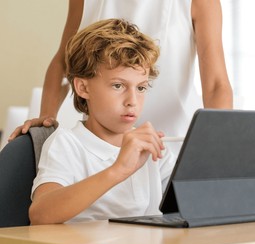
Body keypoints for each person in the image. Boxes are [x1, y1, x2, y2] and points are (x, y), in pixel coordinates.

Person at [29, 19, 255, 225]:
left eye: (141, 88)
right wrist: (118, 170)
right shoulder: (66, 143)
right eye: (118, 85)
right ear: (83, 88)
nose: (132, 100)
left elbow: (194, 204)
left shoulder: (150, 147)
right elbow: (40, 213)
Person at [9, 0, 234, 151]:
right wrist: (46, 118)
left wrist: (221, 140)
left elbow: (215, 84)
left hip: (172, 142)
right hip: (102, 142)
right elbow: (64, 60)